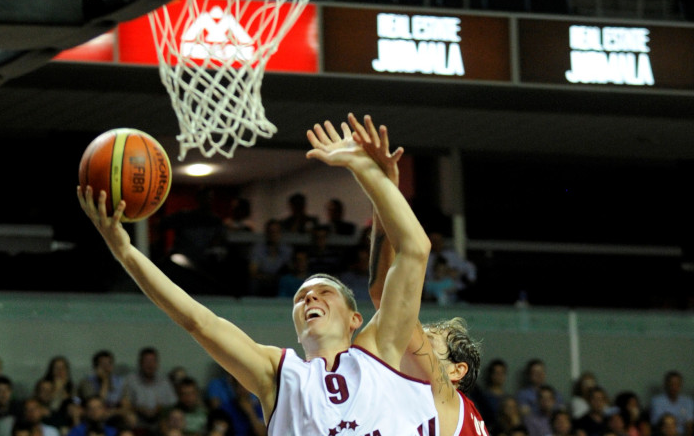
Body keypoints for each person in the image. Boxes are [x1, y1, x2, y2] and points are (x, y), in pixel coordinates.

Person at [76, 112, 437, 436]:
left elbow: (415, 249)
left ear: (355, 318)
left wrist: (374, 178)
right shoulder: (278, 373)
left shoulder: (381, 352)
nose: (309, 297)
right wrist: (124, 250)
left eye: (324, 292)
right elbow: (197, 320)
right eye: (300, 297)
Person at [362, 118, 488, 436]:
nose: (414, 337)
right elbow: (383, 292)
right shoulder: (429, 403)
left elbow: (383, 297)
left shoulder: (444, 393)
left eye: (429, 340)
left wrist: (383, 187)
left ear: (455, 370)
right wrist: (382, 198)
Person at [121, 347, 177, 434]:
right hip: (138, 416)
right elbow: (125, 402)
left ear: (157, 363)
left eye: (153, 361)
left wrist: (160, 409)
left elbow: (173, 403)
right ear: (140, 363)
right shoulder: (131, 380)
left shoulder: (164, 381)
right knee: (129, 417)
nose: (150, 365)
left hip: (160, 417)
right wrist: (140, 409)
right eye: (147, 361)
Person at [247, 219, 292, 297]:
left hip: (280, 280)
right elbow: (253, 271)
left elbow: (291, 270)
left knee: (288, 281)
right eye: (271, 232)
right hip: (262, 281)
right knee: (253, 283)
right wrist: (267, 278)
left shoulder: (287, 250)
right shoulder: (258, 249)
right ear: (266, 233)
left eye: (276, 232)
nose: (273, 234)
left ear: (280, 233)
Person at [649, 371, 694, 436]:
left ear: (681, 385)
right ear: (666, 384)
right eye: (671, 384)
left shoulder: (688, 402)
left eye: (677, 384)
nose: (674, 387)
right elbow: (658, 425)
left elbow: (689, 425)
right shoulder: (657, 401)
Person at [471, 358, 509, 426]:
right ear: (491, 375)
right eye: (497, 373)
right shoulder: (483, 398)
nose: (499, 376)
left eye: (502, 373)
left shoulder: (509, 399)